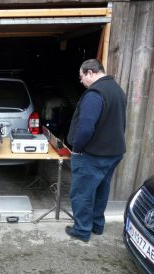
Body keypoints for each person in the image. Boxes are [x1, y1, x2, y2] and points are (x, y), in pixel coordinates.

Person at [66, 59, 126, 242]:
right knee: (101, 190)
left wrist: (76, 149)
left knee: (82, 193)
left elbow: (85, 128)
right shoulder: (117, 90)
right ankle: (97, 225)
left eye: (81, 76)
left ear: (90, 73)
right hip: (113, 153)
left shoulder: (95, 94)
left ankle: (82, 230)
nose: (81, 81)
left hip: (93, 155)